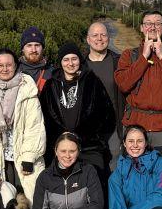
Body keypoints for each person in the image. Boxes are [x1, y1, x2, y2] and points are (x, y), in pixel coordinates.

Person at [115, 9, 162, 170]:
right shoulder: (129, 55)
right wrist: (143, 57)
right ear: (142, 28)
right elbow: (123, 84)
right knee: (132, 176)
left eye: (157, 23)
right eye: (148, 23)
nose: (153, 27)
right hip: (135, 126)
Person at [39, 42, 116, 176]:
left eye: (74, 59)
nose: (70, 63)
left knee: (93, 183)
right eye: (66, 59)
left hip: (88, 148)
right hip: (60, 149)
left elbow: (107, 114)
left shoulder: (92, 81)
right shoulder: (51, 85)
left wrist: (95, 137)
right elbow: (43, 117)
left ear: (80, 60)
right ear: (60, 62)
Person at [0, 48, 45, 202]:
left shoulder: (26, 88)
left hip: (22, 154)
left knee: (28, 198)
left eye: (9, 65)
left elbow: (35, 127)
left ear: (15, 65)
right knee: (2, 198)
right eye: (0, 65)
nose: (4, 69)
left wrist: (29, 157)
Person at [83, 18, 124, 159]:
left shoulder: (119, 62)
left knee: (113, 165)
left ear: (108, 38)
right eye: (95, 35)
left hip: (113, 129)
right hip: (89, 130)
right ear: (88, 39)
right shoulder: (80, 65)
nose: (99, 39)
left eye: (103, 35)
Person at [18, 26, 52, 91]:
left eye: (37, 45)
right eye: (29, 45)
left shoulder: (52, 73)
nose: (34, 50)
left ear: (43, 48)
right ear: (22, 49)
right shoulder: (14, 71)